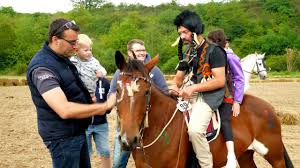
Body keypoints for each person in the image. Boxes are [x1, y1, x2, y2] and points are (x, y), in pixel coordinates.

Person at [26, 18, 115, 168]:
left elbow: (73, 93)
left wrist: (93, 100)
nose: (75, 47)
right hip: (63, 138)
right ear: (55, 40)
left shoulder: (61, 59)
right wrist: (103, 106)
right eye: (72, 42)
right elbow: (64, 109)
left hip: (76, 132)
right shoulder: (42, 68)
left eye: (76, 42)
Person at [172, 10, 227, 167]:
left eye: (185, 32)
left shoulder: (215, 51)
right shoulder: (189, 51)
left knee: (195, 131)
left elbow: (220, 81)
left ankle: (206, 165)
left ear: (195, 30)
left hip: (210, 96)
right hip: (192, 93)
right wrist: (175, 85)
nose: (182, 36)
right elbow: (178, 80)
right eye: (180, 33)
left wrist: (193, 87)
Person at [110, 39, 169, 168]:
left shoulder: (155, 71)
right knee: (118, 162)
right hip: (127, 122)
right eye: (138, 50)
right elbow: (112, 93)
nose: (142, 53)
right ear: (129, 52)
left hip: (150, 125)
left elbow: (165, 92)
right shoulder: (120, 72)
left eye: (143, 50)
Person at [207, 29, 245, 168]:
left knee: (224, 121)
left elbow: (239, 79)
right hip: (209, 93)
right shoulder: (208, 55)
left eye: (210, 41)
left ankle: (231, 155)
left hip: (226, 94)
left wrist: (237, 101)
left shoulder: (230, 57)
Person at [70, 34, 107, 102]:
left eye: (90, 50)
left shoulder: (93, 61)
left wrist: (101, 73)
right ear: (76, 50)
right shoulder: (72, 60)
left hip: (93, 91)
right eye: (86, 50)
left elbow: (102, 69)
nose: (89, 52)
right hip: (80, 92)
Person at [85, 77, 112, 168]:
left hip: (101, 124)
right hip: (84, 125)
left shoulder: (104, 82)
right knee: (85, 153)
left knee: (105, 151)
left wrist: (106, 109)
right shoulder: (79, 77)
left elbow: (110, 98)